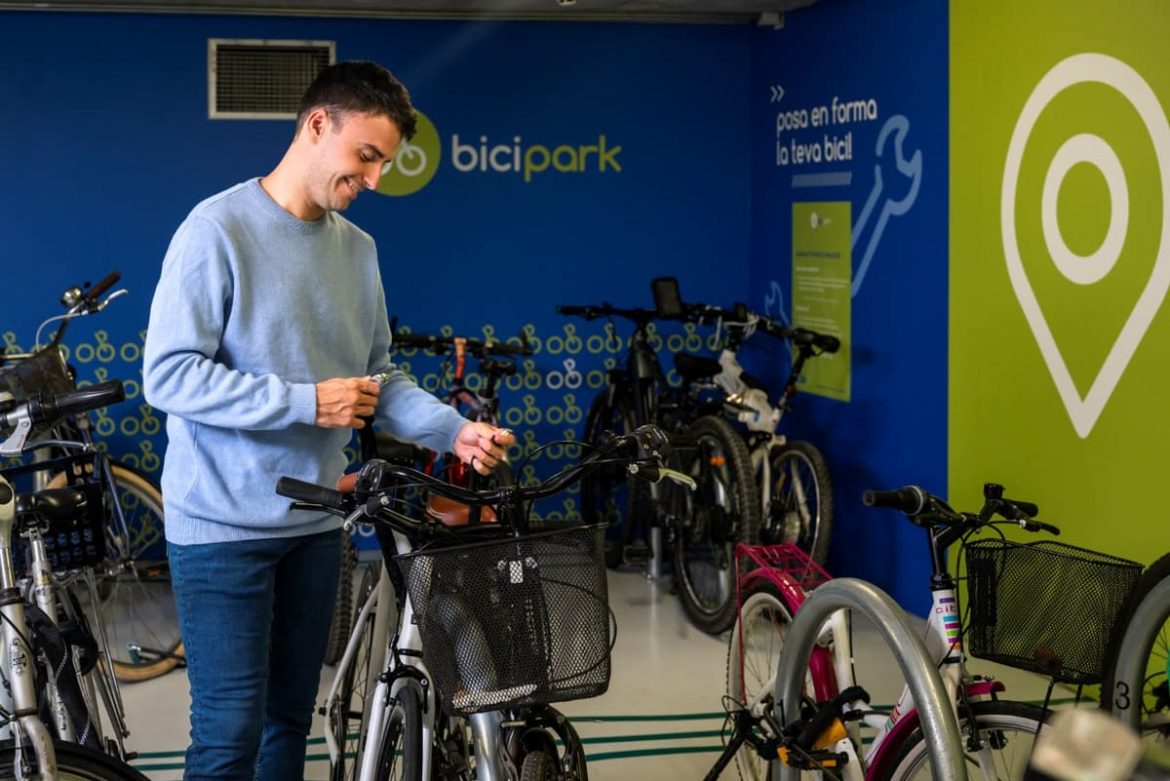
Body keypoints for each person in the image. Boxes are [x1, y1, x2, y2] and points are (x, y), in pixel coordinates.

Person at [142, 60, 514, 781]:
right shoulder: (215, 230)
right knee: (228, 735)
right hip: (221, 529)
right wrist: (308, 401)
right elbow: (168, 375)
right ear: (318, 125)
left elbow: (380, 380)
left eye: (385, 163)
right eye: (367, 156)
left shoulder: (359, 252)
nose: (375, 180)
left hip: (315, 527)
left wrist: (453, 430)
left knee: (291, 721)